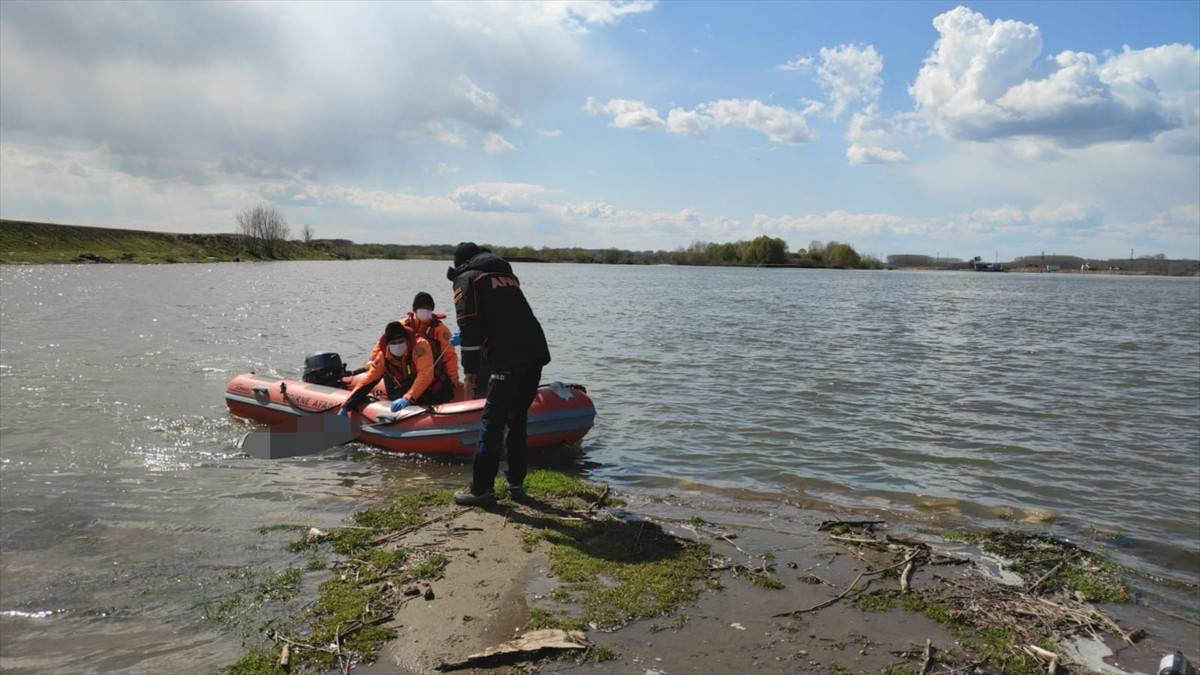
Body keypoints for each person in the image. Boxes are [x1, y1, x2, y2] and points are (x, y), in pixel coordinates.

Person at [446, 242, 551, 506]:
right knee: (517, 417)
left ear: (460, 263)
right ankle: (515, 482)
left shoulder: (466, 277)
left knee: (492, 421)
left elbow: (469, 324)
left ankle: (481, 489)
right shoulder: (505, 276)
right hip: (536, 350)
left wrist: (469, 370)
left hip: (508, 356)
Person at [366, 291, 461, 404]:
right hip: (404, 370)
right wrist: (372, 360)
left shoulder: (439, 329)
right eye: (422, 307)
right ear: (415, 309)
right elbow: (382, 345)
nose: (425, 310)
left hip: (429, 370)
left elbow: (449, 354)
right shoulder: (401, 326)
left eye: (428, 308)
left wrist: (453, 377)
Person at [339, 321, 437, 416]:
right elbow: (368, 380)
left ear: (407, 341)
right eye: (393, 343)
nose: (397, 345)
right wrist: (346, 406)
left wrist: (407, 398)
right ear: (388, 344)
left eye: (401, 341)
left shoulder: (420, 346)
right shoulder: (383, 356)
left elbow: (425, 374)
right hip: (405, 390)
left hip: (431, 392)